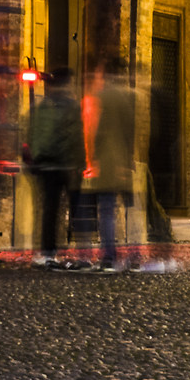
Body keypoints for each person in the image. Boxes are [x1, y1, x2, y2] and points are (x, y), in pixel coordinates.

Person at [23, 69, 85, 268]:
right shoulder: (72, 106)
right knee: (77, 208)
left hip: (46, 166)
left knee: (50, 210)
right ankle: (83, 251)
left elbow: (32, 134)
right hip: (66, 164)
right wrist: (80, 162)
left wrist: (35, 160)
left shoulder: (42, 107)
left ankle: (48, 252)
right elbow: (76, 136)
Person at [90, 57, 139, 271]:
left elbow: (98, 131)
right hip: (124, 161)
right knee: (130, 211)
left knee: (107, 210)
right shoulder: (128, 97)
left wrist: (94, 158)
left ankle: (109, 256)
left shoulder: (102, 97)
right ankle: (135, 255)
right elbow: (131, 131)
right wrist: (128, 160)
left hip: (109, 162)